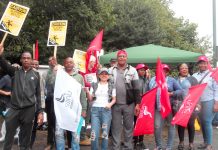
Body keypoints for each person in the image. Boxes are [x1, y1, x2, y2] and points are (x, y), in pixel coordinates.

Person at [0, 44, 43, 150]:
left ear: (31, 60)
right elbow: (3, 64)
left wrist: (40, 111)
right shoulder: (14, 72)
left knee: (25, 137)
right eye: (24, 58)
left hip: (29, 109)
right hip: (14, 108)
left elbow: (39, 95)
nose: (26, 60)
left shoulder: (36, 75)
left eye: (28, 58)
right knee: (8, 136)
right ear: (21, 60)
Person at [109, 49, 141, 150]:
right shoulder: (111, 70)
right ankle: (116, 147)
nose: (122, 58)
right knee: (116, 128)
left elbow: (137, 88)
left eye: (123, 56)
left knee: (128, 127)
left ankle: (128, 147)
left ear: (126, 58)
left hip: (129, 104)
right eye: (120, 56)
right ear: (117, 58)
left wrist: (137, 104)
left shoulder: (133, 70)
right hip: (115, 104)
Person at [54, 57, 87, 150]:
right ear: (64, 64)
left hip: (75, 110)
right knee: (59, 133)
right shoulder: (59, 75)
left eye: (71, 62)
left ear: (74, 64)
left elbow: (82, 94)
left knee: (76, 134)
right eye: (67, 62)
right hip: (61, 109)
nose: (69, 64)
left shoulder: (79, 77)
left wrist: (84, 109)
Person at [149, 64, 183, 150]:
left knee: (171, 126)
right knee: (157, 126)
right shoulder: (152, 80)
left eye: (165, 71)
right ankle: (159, 146)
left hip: (169, 107)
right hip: (158, 107)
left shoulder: (171, 80)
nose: (162, 72)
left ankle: (169, 147)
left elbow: (180, 91)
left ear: (167, 72)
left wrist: (171, 93)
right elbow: (148, 91)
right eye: (161, 70)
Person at [85, 68, 116, 150]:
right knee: (94, 133)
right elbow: (90, 99)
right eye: (102, 74)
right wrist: (88, 92)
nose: (104, 75)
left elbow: (114, 99)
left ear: (108, 76)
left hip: (106, 111)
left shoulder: (111, 85)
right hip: (95, 111)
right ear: (98, 75)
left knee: (105, 133)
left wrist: (110, 104)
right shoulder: (94, 85)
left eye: (106, 74)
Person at [192, 56, 218, 150]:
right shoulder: (194, 75)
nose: (203, 65)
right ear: (198, 64)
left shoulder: (213, 74)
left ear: (207, 64)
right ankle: (205, 142)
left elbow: (217, 89)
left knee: (207, 121)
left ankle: (209, 145)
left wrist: (216, 103)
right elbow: (192, 89)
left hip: (209, 100)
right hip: (198, 102)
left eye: (204, 63)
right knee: (202, 123)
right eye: (201, 63)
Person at [175, 63, 199, 150]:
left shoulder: (192, 79)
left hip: (191, 104)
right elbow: (174, 91)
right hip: (179, 105)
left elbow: (198, 91)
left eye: (186, 68)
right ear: (179, 70)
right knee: (180, 124)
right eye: (182, 68)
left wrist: (197, 103)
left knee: (190, 124)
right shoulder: (176, 80)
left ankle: (191, 143)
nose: (184, 69)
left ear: (188, 69)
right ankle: (181, 142)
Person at [44, 56, 61, 150]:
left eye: (53, 59)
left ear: (56, 60)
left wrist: (58, 70)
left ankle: (61, 142)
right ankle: (50, 143)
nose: (51, 61)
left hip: (60, 101)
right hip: (50, 101)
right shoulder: (46, 73)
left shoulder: (61, 70)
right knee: (51, 123)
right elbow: (43, 87)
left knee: (61, 122)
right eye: (49, 60)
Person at [133, 63, 150, 150]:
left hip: (145, 104)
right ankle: (135, 141)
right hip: (136, 104)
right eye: (141, 70)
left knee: (143, 122)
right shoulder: (135, 80)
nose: (143, 71)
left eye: (144, 70)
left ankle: (141, 141)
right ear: (137, 71)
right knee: (136, 122)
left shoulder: (146, 80)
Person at [30, 59, 46, 149]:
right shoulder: (24, 74)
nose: (35, 66)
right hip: (26, 107)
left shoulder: (39, 76)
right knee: (25, 128)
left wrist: (41, 109)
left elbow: (42, 93)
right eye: (33, 64)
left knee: (33, 129)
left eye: (37, 64)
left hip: (37, 107)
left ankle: (29, 146)